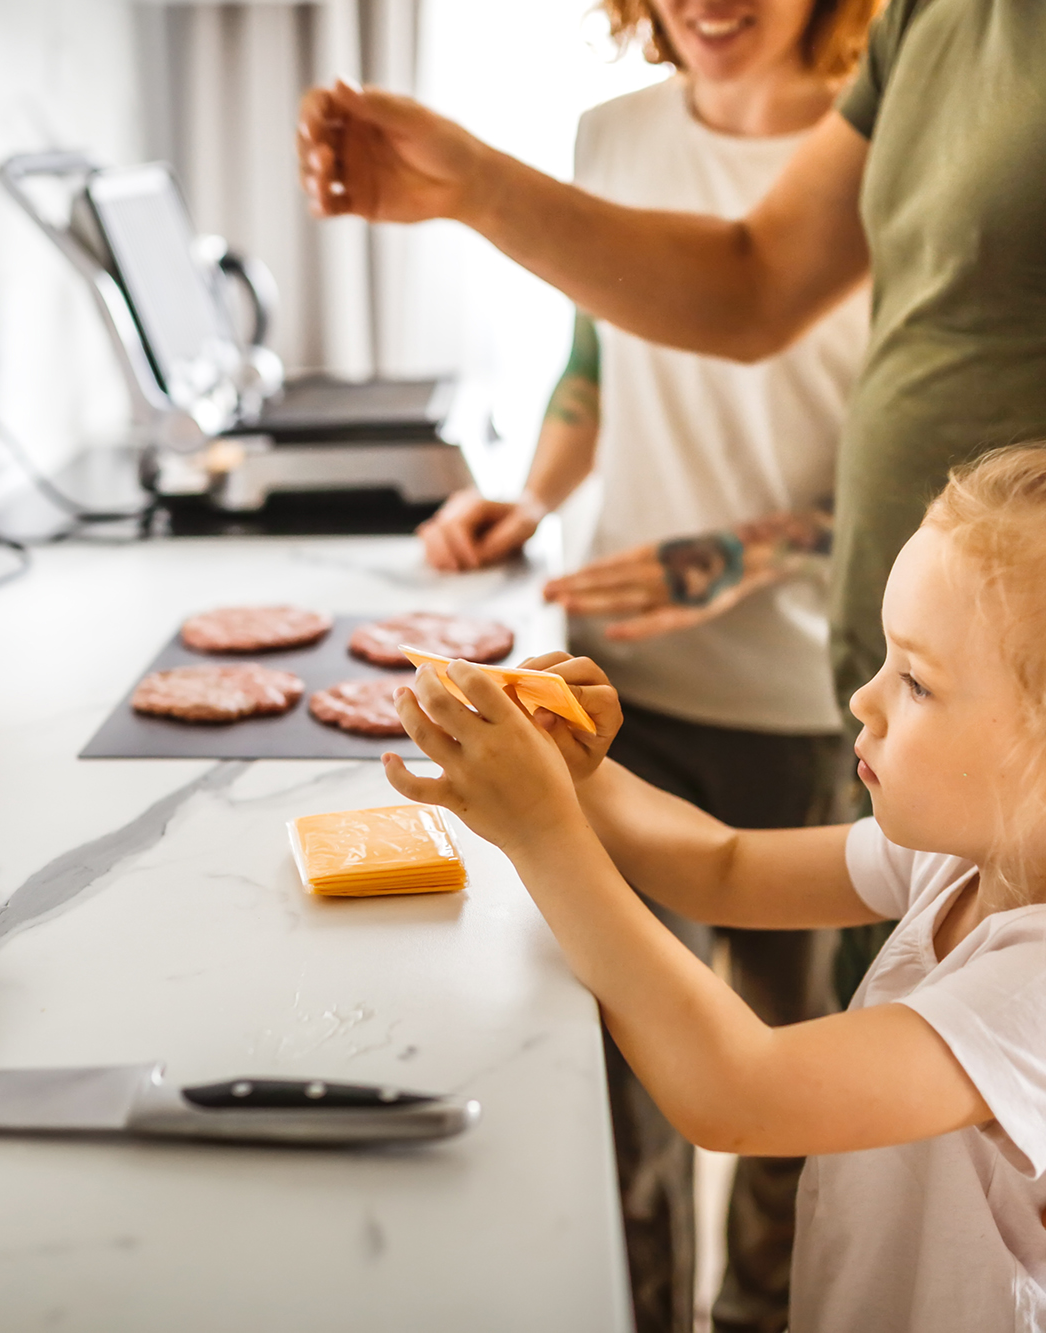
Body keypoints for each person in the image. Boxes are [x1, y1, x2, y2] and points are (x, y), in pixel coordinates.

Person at [298, 0, 1046, 1273]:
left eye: (895, 679)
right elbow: (753, 281)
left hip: (1037, 763)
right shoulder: (960, 862)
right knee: (850, 1187)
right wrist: (579, 779)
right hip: (976, 764)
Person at [384, 435, 1046, 1331]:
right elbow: (722, 864)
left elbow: (737, 1094)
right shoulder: (988, 845)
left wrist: (545, 837)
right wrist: (582, 777)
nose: (865, 700)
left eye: (915, 680)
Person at [412, 2, 873, 1327]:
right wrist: (531, 494)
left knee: (797, 1081)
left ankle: (759, 1314)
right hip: (614, 700)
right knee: (621, 1078)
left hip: (815, 711)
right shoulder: (609, 136)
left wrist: (738, 554)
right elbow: (592, 364)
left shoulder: (885, 155)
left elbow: (932, 459)